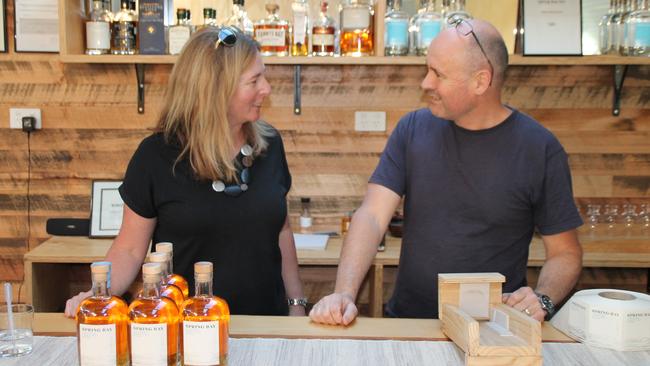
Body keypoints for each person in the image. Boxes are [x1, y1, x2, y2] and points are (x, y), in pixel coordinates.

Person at [309, 19, 583, 325]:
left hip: (493, 330)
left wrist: (543, 297)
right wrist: (343, 292)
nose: (426, 83)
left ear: (481, 81)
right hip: (410, 323)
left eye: (438, 74)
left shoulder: (540, 149)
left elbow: (565, 254)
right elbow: (372, 216)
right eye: (427, 70)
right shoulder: (412, 130)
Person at [65, 27, 305, 317]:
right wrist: (96, 296)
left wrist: (296, 305)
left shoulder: (270, 145)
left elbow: (282, 230)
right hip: (187, 329)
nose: (266, 88)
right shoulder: (155, 156)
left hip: (267, 324)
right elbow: (129, 249)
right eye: (254, 80)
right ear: (215, 89)